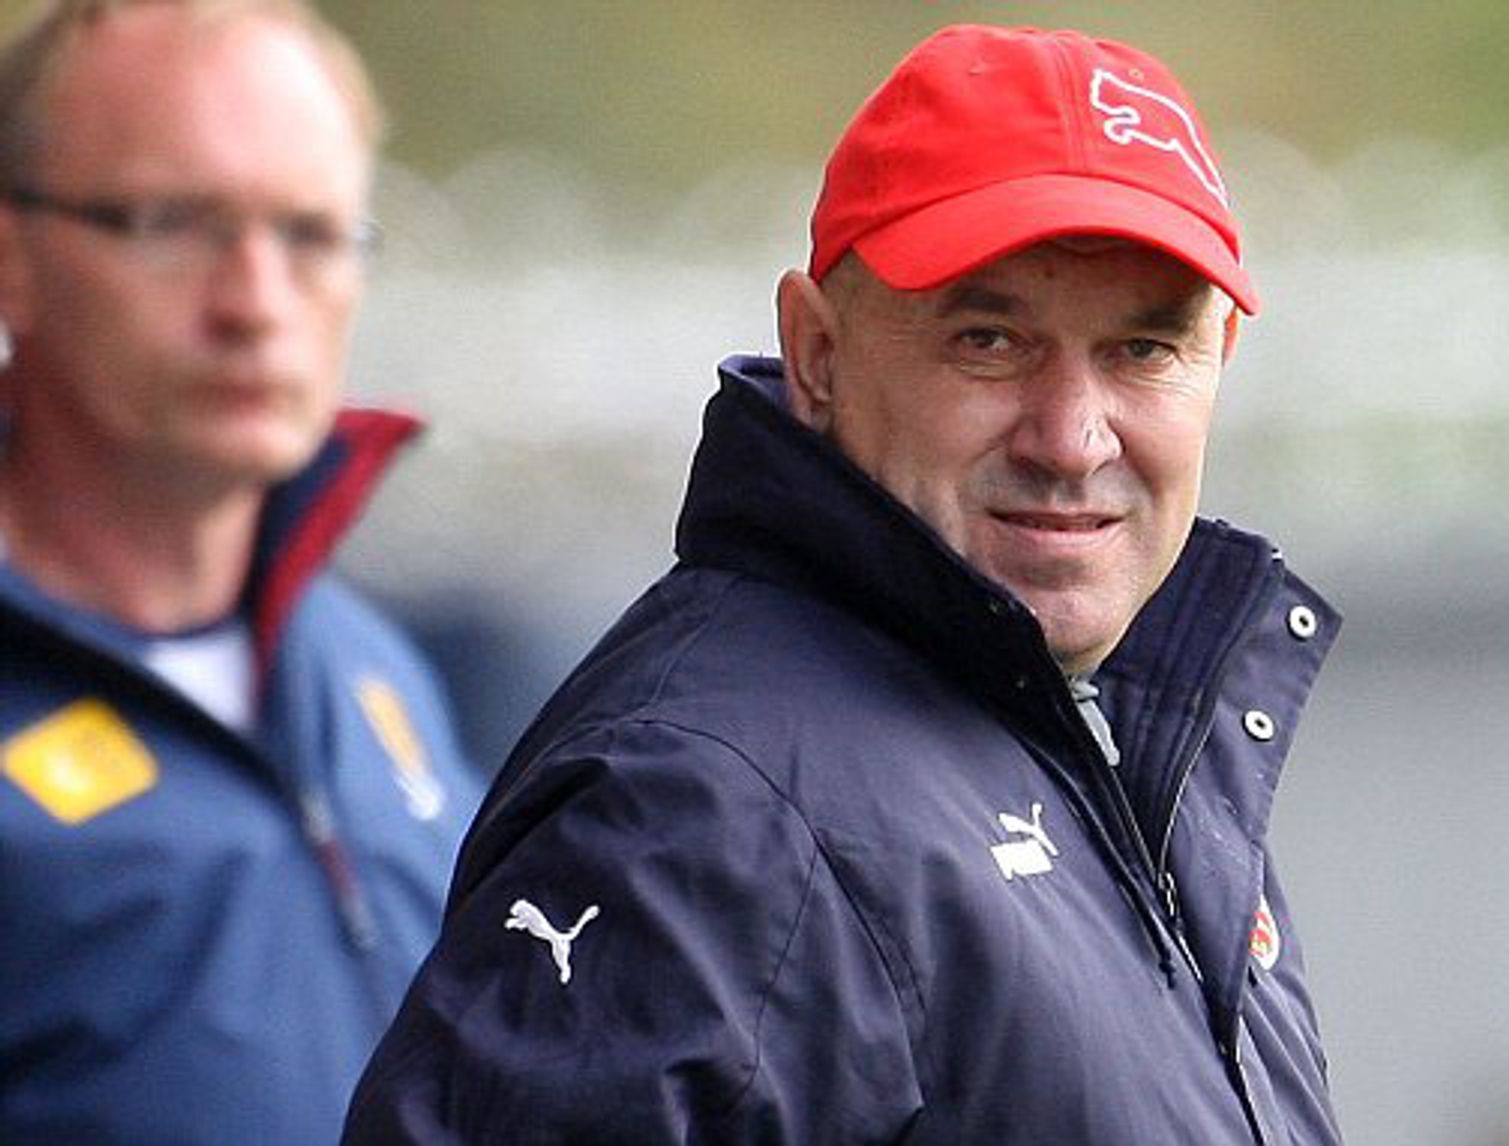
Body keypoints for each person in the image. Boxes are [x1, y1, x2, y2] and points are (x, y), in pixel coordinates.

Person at [346, 23, 1344, 1145]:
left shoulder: (1125, 748)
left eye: (1144, 351)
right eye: (989, 340)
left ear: (1219, 361)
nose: (1072, 439)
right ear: (817, 356)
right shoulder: (699, 813)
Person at [0, 2, 483, 1141]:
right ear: (10, 259)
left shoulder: (369, 669)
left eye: (312, 234)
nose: (255, 303)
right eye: (173, 223)